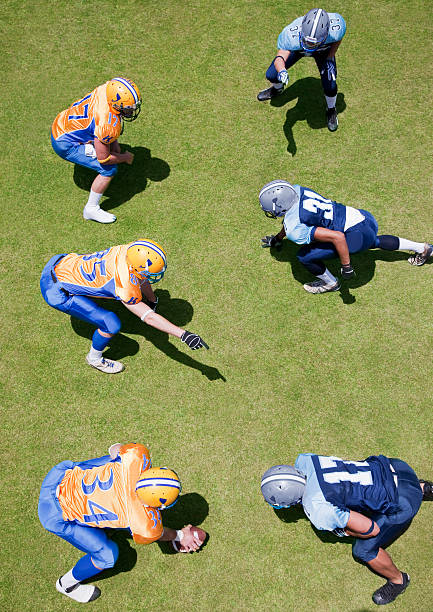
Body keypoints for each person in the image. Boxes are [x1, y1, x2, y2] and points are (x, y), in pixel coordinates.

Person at [39, 442, 207, 603]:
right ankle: (66, 585)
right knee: (108, 556)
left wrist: (119, 454)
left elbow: (114, 448)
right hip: (54, 515)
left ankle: (102, 524)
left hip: (58, 475)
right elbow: (159, 533)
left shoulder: (137, 455)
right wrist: (179, 535)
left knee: (116, 459)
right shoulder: (144, 523)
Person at [261, 454, 433, 605]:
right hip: (395, 466)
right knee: (360, 488)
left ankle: (398, 580)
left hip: (403, 501)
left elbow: (370, 529)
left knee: (363, 550)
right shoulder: (305, 460)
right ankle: (423, 488)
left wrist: (344, 531)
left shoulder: (317, 509)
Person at [40, 239, 209, 373]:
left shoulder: (130, 250)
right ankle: (94, 359)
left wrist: (152, 300)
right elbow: (149, 318)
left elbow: (141, 278)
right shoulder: (125, 285)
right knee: (111, 323)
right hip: (56, 290)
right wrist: (184, 335)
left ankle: (82, 290)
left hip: (62, 261)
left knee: (120, 283)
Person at [259, 180, 433, 293]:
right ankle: (422, 248)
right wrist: (278, 238)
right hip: (363, 218)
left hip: (352, 235)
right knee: (374, 240)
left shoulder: (295, 229)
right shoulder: (297, 190)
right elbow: (290, 220)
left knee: (304, 256)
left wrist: (346, 266)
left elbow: (337, 237)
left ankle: (331, 284)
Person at [51, 78, 141, 223]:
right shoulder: (107, 123)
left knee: (107, 140)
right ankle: (91, 209)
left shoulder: (106, 90)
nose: (131, 111)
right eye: (128, 108)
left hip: (62, 121)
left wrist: (113, 143)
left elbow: (102, 122)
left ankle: (94, 141)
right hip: (64, 143)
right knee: (109, 169)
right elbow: (103, 158)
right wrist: (125, 157)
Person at [257, 8, 346, 132]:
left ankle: (331, 109)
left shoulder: (336, 29)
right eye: (307, 41)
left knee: (330, 84)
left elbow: (338, 39)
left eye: (313, 43)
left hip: (323, 51)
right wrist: (282, 70)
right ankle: (278, 89)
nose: (309, 46)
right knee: (272, 74)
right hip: (298, 49)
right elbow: (279, 58)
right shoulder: (290, 35)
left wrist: (330, 57)